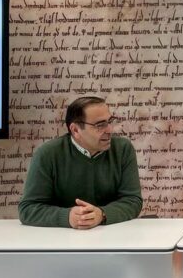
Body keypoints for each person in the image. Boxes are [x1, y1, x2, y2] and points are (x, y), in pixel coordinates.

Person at [19, 96, 142, 229]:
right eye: (100, 125)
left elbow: (132, 201)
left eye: (110, 121)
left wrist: (102, 214)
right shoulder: (47, 154)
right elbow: (28, 209)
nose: (109, 130)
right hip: (61, 237)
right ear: (76, 130)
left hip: (113, 234)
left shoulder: (123, 149)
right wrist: (67, 217)